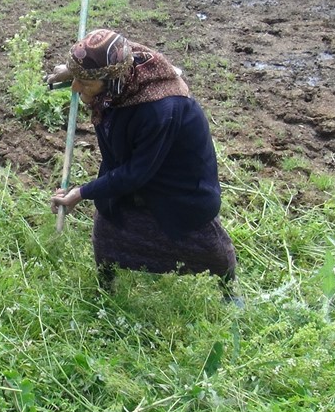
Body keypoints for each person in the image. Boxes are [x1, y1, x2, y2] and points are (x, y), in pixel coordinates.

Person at [47, 29, 240, 304]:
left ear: (113, 81)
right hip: (131, 163)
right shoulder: (121, 63)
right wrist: (73, 71)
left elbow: (136, 173)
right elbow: (104, 54)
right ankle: (105, 294)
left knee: (207, 247)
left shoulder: (160, 110)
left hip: (179, 182)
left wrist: (81, 192)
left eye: (85, 82)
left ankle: (229, 291)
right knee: (108, 228)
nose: (76, 88)